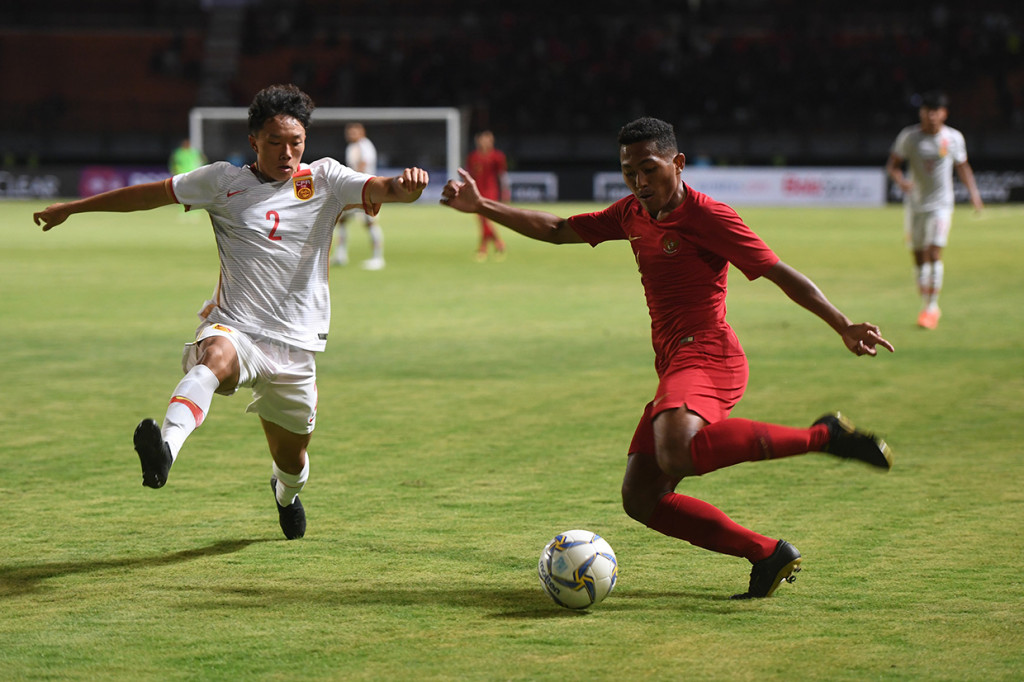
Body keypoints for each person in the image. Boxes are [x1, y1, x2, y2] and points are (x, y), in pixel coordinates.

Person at [441, 117, 895, 599]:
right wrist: (482, 205)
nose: (639, 182)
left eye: (648, 169)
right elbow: (557, 229)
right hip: (675, 363)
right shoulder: (631, 213)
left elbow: (780, 272)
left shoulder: (709, 216)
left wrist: (842, 324)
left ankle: (825, 436)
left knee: (678, 451)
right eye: (628, 172)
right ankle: (767, 553)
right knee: (641, 498)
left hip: (710, 354)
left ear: (677, 163)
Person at [33, 84, 429, 540]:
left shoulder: (326, 179)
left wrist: (407, 187)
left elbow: (385, 188)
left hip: (296, 346)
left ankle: (285, 494)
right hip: (236, 327)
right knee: (214, 359)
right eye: (275, 142)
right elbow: (147, 195)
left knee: (292, 461)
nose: (286, 153)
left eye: (296, 142)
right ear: (253, 141)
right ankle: (166, 451)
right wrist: (74, 208)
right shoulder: (222, 182)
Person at [885, 91, 983, 330]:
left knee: (934, 252)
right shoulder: (909, 137)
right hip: (915, 205)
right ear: (921, 113)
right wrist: (901, 182)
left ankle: (931, 308)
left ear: (944, 113)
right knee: (919, 256)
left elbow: (963, 166)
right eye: (926, 111)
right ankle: (926, 299)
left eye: (935, 111)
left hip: (941, 204)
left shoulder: (953, 138)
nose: (930, 116)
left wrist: (974, 193)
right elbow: (893, 166)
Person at [332, 122, 386, 270]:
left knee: (370, 223)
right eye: (349, 132)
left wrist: (354, 184)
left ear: (362, 133)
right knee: (341, 220)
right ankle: (341, 255)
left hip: (365, 189)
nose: (350, 135)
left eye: (354, 132)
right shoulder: (352, 146)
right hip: (355, 189)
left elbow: (362, 166)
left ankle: (378, 258)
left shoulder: (364, 146)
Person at [465, 130, 510, 261]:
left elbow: (502, 175)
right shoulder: (473, 156)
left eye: (487, 140)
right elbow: (469, 175)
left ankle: (483, 248)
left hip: (491, 191)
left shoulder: (497, 156)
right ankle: (498, 243)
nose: (484, 143)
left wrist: (505, 192)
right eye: (482, 140)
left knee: (485, 219)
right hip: (477, 191)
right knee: (482, 219)